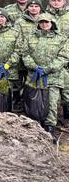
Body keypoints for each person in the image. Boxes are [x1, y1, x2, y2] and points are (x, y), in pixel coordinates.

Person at [20, 13, 69, 142]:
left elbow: (63, 57)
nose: (44, 24)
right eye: (41, 22)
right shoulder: (30, 37)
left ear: (52, 23)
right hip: (35, 76)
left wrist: (48, 69)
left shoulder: (62, 39)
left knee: (51, 103)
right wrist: (35, 67)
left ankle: (50, 128)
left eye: (47, 22)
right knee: (34, 101)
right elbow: (25, 54)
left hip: (53, 77)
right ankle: (36, 127)